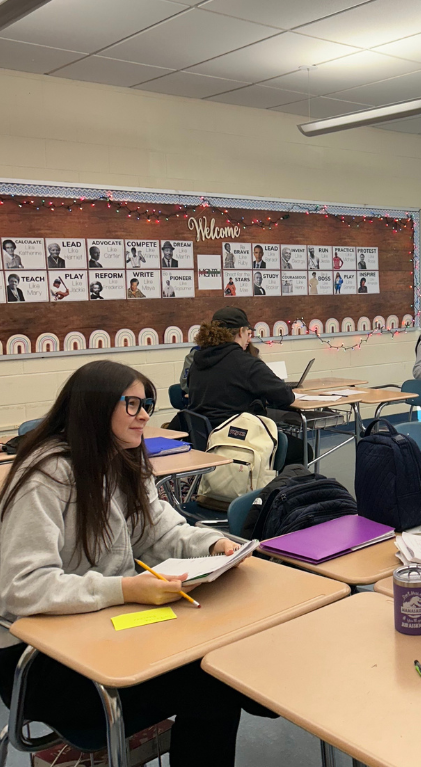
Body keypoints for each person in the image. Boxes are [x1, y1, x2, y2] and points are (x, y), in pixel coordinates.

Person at [0, 361, 271, 767]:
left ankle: (262, 688)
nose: (144, 414)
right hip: (41, 656)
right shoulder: (47, 475)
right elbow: (23, 587)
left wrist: (215, 544)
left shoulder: (125, 460)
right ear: (94, 407)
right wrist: (125, 589)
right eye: (131, 404)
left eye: (147, 403)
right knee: (214, 683)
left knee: (221, 664)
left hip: (106, 630)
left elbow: (160, 533)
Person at [186, 308, 307, 465]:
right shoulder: (246, 363)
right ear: (241, 331)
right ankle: (273, 488)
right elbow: (286, 396)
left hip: (204, 440)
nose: (249, 339)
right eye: (248, 333)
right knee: (302, 451)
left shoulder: (197, 361)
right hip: (239, 440)